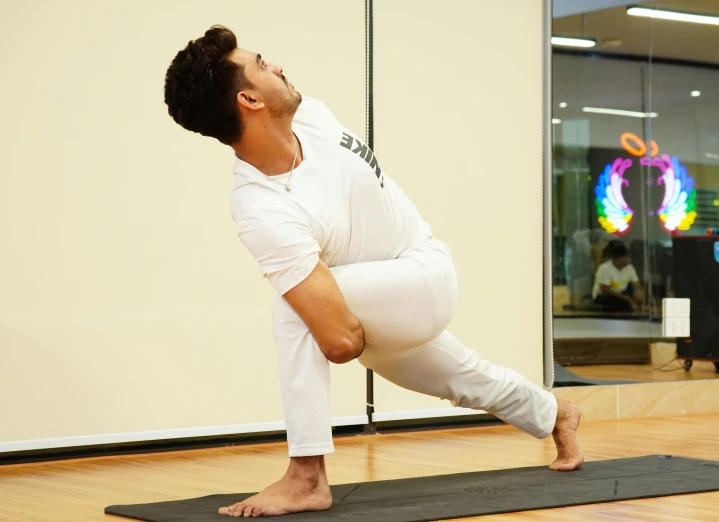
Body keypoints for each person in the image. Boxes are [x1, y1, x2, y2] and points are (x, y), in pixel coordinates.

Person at [164, 26, 583, 519]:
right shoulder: (260, 208)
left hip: (422, 273)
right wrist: (348, 317)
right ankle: (556, 413)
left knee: (293, 308)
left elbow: (337, 336)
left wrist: (338, 313)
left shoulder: (312, 116)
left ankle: (307, 477)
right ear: (250, 99)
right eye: (261, 64)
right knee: (462, 376)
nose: (276, 66)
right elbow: (340, 342)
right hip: (373, 301)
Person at [592, 240, 643, 312]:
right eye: (627, 257)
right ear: (619, 259)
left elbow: (636, 283)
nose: (629, 260)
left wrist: (638, 291)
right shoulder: (605, 268)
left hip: (622, 294)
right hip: (605, 296)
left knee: (628, 298)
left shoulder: (630, 267)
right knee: (620, 303)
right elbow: (605, 290)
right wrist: (628, 299)